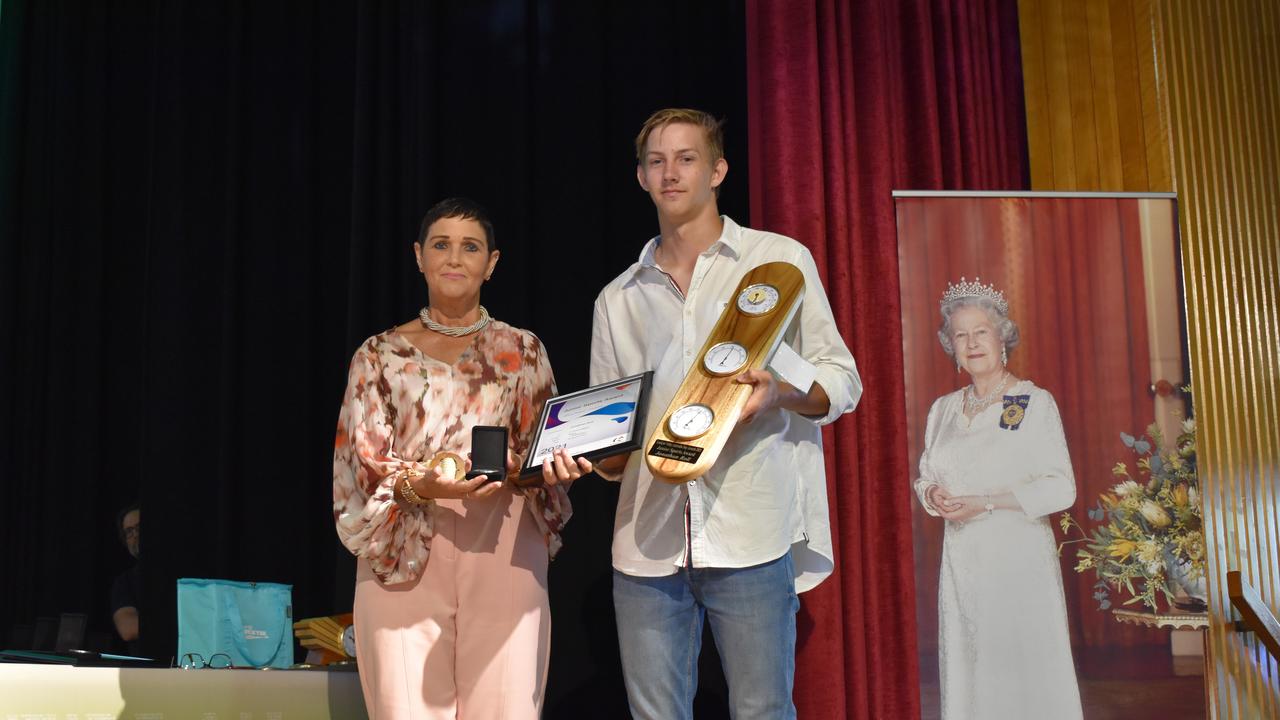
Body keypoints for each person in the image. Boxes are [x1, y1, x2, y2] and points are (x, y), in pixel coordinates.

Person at [588, 108, 862, 720]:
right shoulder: (617, 298)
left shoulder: (778, 261)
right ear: (640, 178)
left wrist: (781, 394)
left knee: (764, 711)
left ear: (718, 170)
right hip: (647, 542)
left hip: (749, 534)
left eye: (686, 159)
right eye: (656, 161)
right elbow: (613, 436)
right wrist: (580, 457)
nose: (670, 173)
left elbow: (842, 382)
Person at [333, 197, 592, 719]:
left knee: (505, 707)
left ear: (491, 263)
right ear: (419, 256)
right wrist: (424, 485)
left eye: (470, 247)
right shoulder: (378, 354)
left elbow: (545, 449)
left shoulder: (523, 350)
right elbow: (359, 466)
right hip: (402, 542)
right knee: (404, 708)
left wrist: (554, 468)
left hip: (504, 541)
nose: (454, 257)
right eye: (441, 245)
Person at [914, 278, 1083, 719]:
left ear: (1002, 336)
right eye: (960, 335)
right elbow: (926, 476)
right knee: (971, 668)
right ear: (950, 345)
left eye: (981, 331)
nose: (971, 343)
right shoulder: (943, 409)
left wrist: (986, 502)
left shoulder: (1033, 401)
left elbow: (1060, 488)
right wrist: (932, 493)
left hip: (1017, 558)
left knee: (1018, 669)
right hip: (962, 562)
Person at [110, 502, 142, 656]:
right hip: (149, 670)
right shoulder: (125, 582)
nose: (135, 535)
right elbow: (128, 629)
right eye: (129, 531)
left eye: (139, 527)